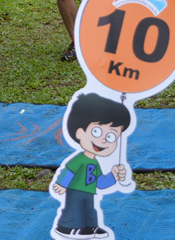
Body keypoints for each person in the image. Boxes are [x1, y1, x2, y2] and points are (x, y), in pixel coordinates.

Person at [52, 93, 130, 240]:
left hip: (89, 191)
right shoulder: (80, 159)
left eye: (111, 136)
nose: (103, 140)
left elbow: (100, 182)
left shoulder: (95, 162)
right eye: (96, 131)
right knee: (74, 209)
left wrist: (114, 176)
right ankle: (67, 228)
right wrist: (62, 184)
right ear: (80, 132)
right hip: (75, 190)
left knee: (90, 209)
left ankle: (90, 227)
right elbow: (69, 170)